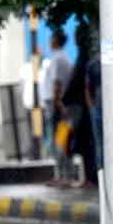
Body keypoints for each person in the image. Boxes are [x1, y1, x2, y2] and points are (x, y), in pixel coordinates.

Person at [44, 29, 76, 185]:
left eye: (51, 38)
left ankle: (63, 176)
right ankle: (62, 175)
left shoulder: (58, 59)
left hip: (56, 103)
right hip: (58, 102)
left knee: (59, 140)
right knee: (60, 139)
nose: (49, 41)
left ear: (56, 40)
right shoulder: (63, 57)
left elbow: (57, 83)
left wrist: (57, 102)